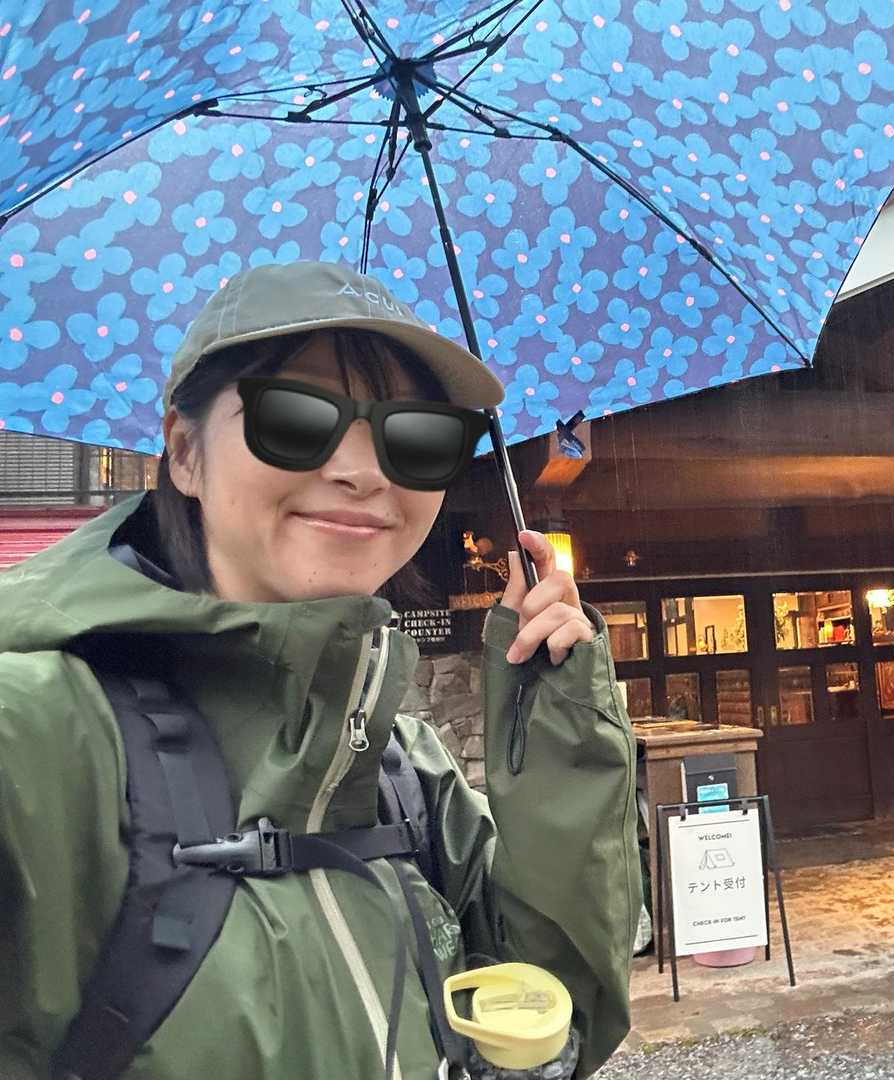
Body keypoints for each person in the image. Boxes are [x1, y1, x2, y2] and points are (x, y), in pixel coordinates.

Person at [0, 262, 640, 1079]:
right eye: (297, 419)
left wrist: (553, 711)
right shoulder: (36, 741)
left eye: (419, 438)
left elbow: (558, 1015)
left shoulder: (405, 774)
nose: (364, 472)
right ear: (185, 452)